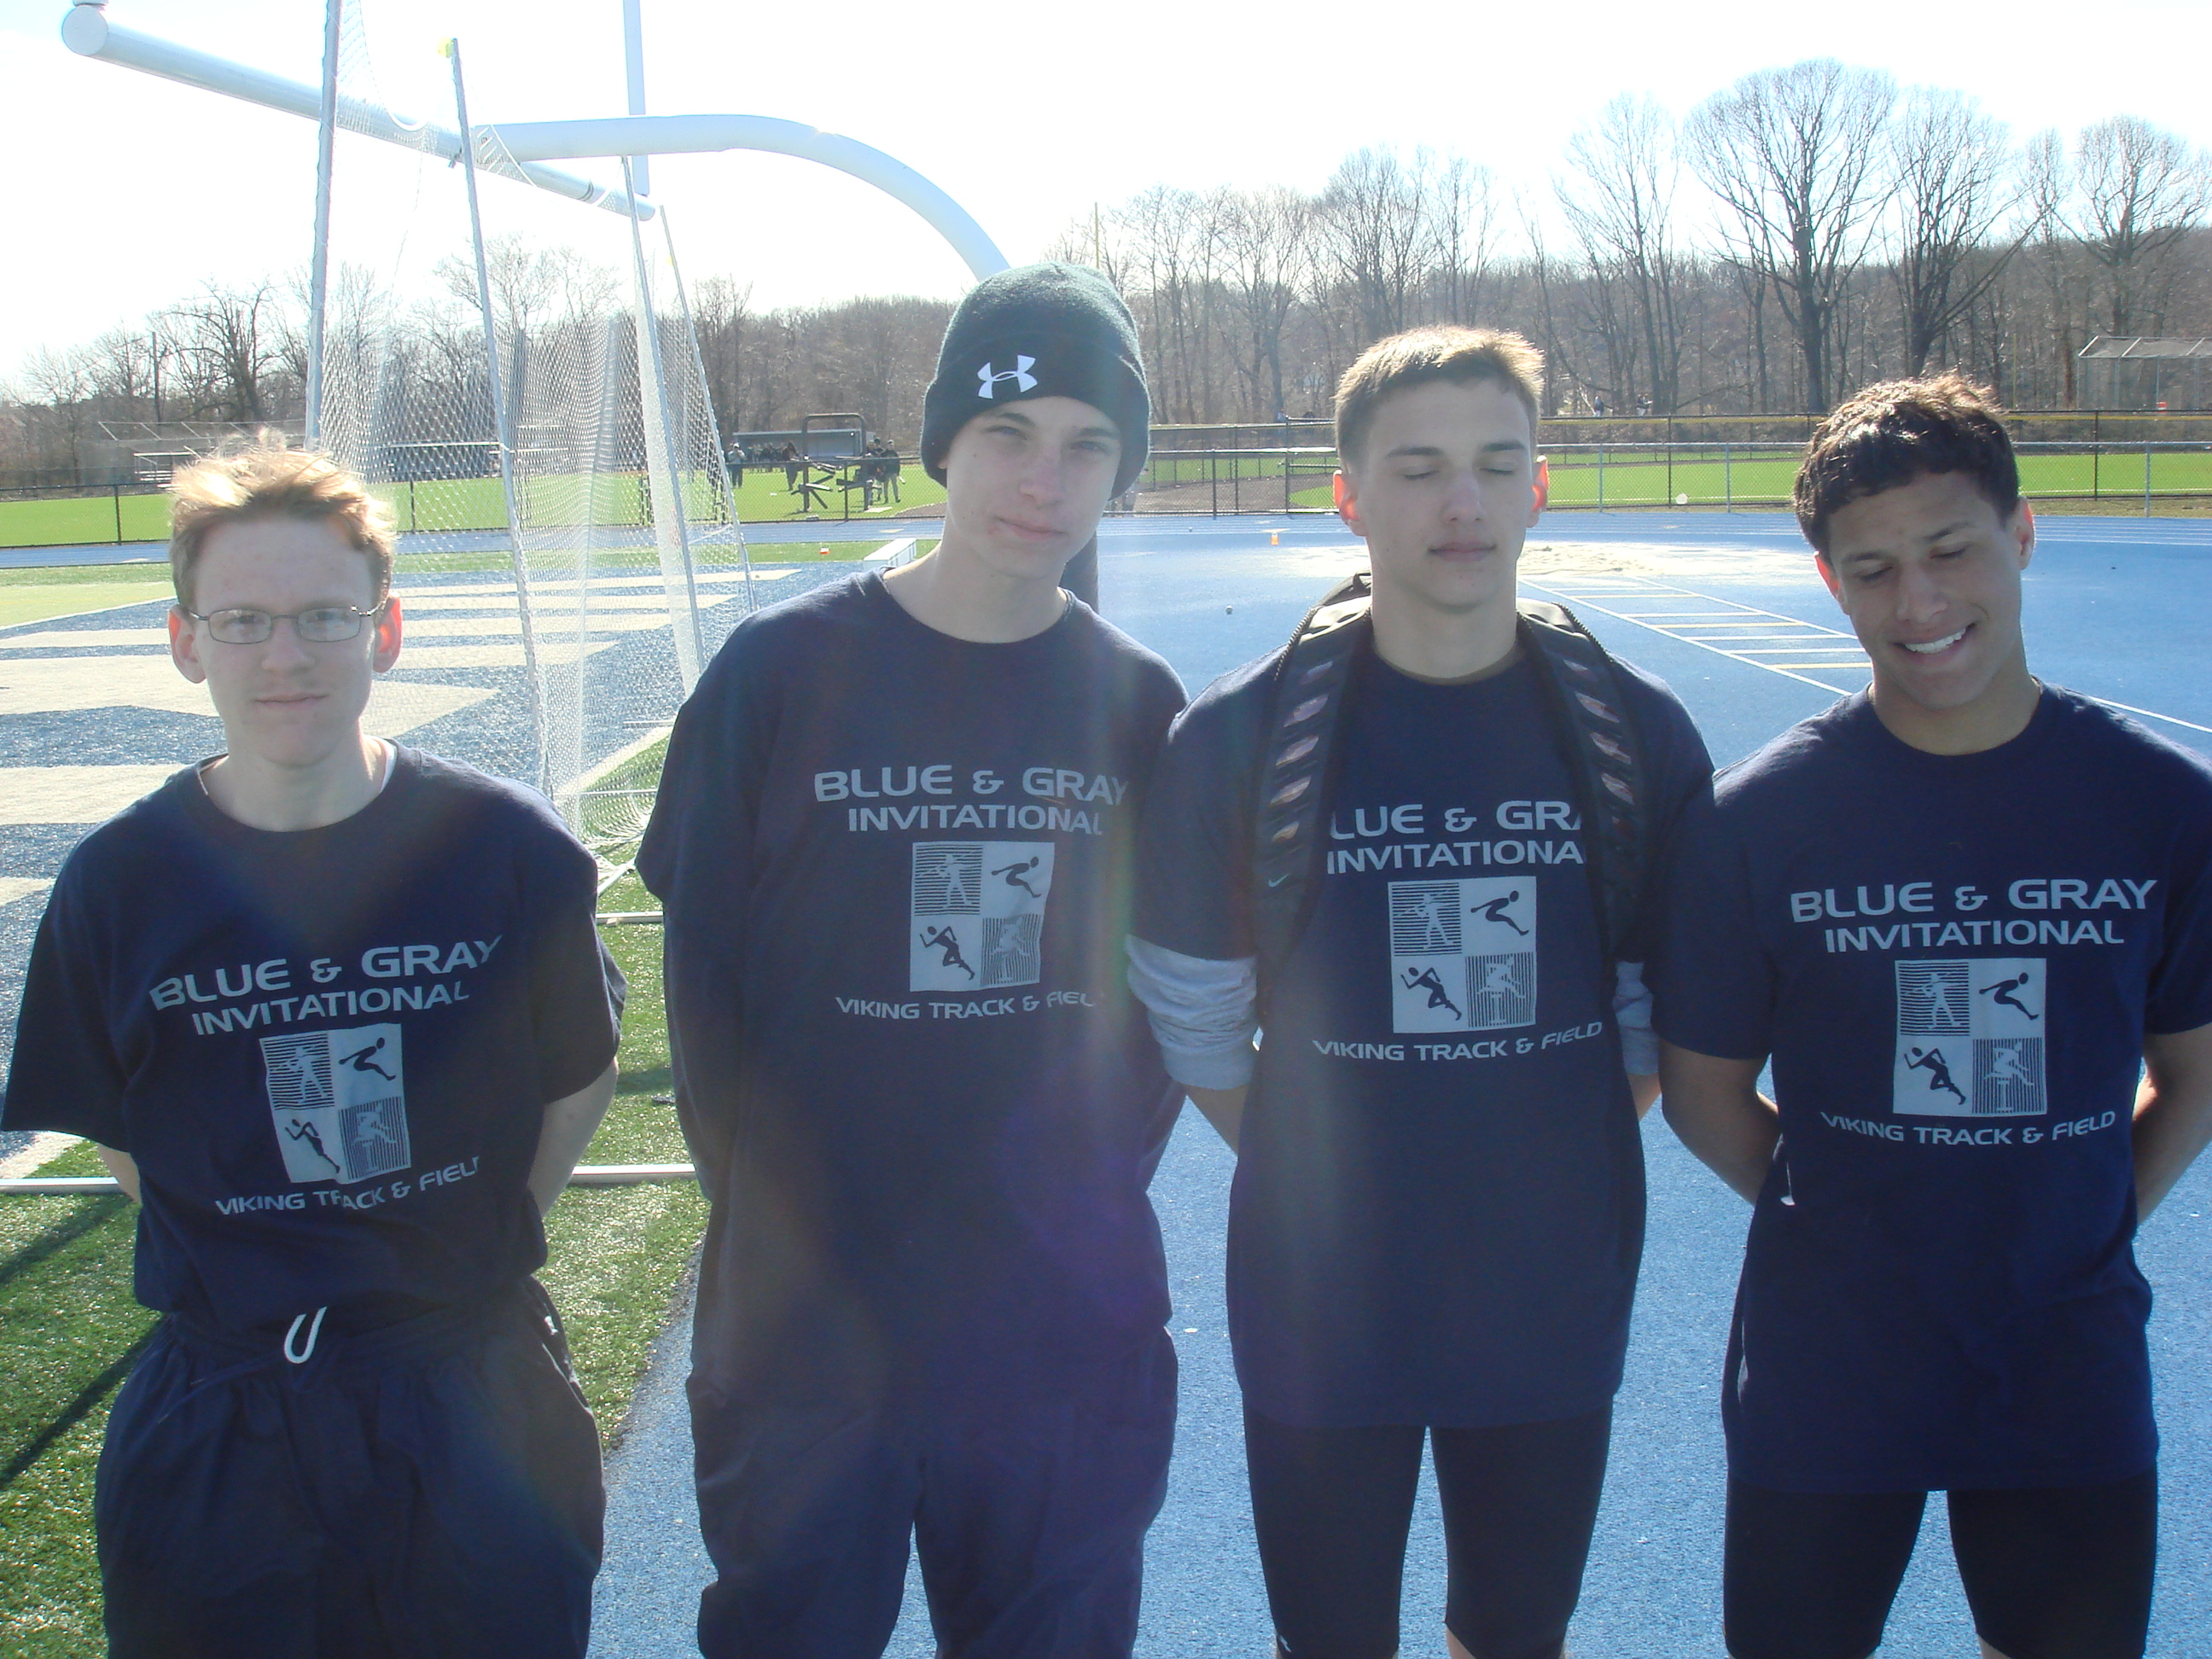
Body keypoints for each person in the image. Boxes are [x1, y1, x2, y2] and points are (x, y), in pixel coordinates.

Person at [1128, 327, 1710, 1659]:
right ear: (1348, 495)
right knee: (1331, 1636)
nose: (1463, 503)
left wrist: (1524, 1145)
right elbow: (1194, 1007)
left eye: (1497, 465)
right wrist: (1329, 1159)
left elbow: (1651, 1007)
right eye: (1418, 469)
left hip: (1549, 1282)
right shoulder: (1237, 736)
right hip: (1320, 1289)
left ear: (1539, 487)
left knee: (1516, 1630)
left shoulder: (1635, 730)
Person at [639, 262, 1185, 1659]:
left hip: (1058, 1321)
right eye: (1009, 434)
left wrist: (1076, 1195)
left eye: (1088, 446)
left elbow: (1158, 1009)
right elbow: (702, 989)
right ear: (944, 442)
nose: (1044, 481)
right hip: (810, 1324)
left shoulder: (1136, 702)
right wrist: (776, 1214)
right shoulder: (777, 675)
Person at [0, 440, 626, 1658]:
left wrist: (465, 1243)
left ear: (384, 630)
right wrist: (256, 1250)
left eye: (324, 616)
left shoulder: (506, 849)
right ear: (185, 642)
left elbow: (578, 1072)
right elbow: (122, 1135)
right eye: (242, 620)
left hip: (474, 1393)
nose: (284, 656)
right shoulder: (119, 884)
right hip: (223, 1410)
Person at [1654, 374, 2212, 1659]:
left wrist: (2088, 1214)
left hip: (2065, 1369)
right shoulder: (1758, 821)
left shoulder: (2161, 807)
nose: (1919, 602)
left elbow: (2196, 1070)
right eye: (1874, 569)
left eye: (1951, 550)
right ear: (1829, 581)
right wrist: (1848, 1221)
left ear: (2022, 533)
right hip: (1829, 1369)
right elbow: (1701, 1094)